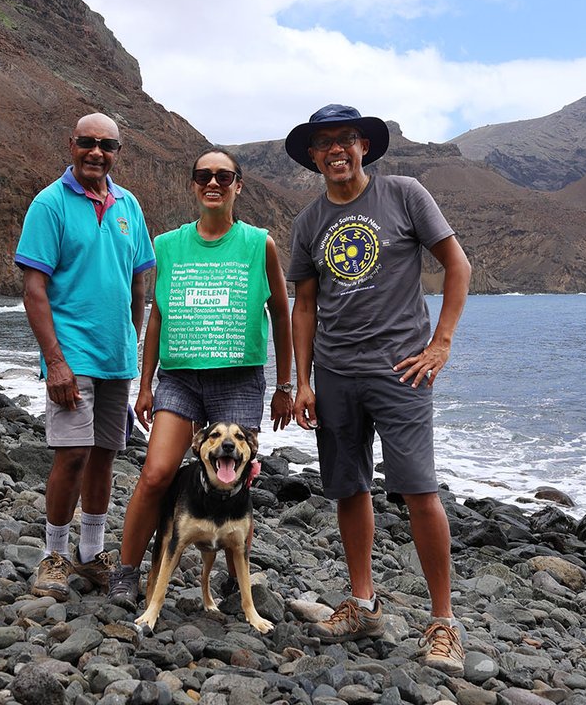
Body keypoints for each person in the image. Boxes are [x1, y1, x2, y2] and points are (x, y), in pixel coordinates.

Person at [285, 104, 472, 674]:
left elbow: (457, 267)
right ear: (313, 156)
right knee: (348, 489)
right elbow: (306, 305)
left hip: (401, 370)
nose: (337, 150)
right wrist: (303, 382)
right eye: (325, 143)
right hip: (336, 373)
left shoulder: (405, 194)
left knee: (419, 492)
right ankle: (364, 603)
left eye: (347, 139)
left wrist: (440, 344)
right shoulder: (310, 221)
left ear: (364, 146)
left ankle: (442, 623)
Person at [107, 147, 294, 608]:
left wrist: (287, 384)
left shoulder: (259, 243)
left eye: (223, 176)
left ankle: (235, 584)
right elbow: (157, 318)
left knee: (238, 477)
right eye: (203, 175)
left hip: (238, 378)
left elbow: (282, 312)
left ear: (238, 185)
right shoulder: (168, 245)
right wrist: (145, 383)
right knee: (155, 474)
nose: (213, 182)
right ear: (193, 184)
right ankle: (126, 574)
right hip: (181, 379)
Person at [14, 112, 155, 602]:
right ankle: (53, 555)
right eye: (88, 143)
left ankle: (91, 553)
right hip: (71, 355)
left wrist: (132, 343)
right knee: (71, 455)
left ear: (118, 152)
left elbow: (139, 281)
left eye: (108, 145)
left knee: (104, 457)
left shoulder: (128, 205)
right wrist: (54, 361)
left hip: (116, 356)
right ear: (71, 144)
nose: (97, 152)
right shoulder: (49, 204)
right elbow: (34, 288)